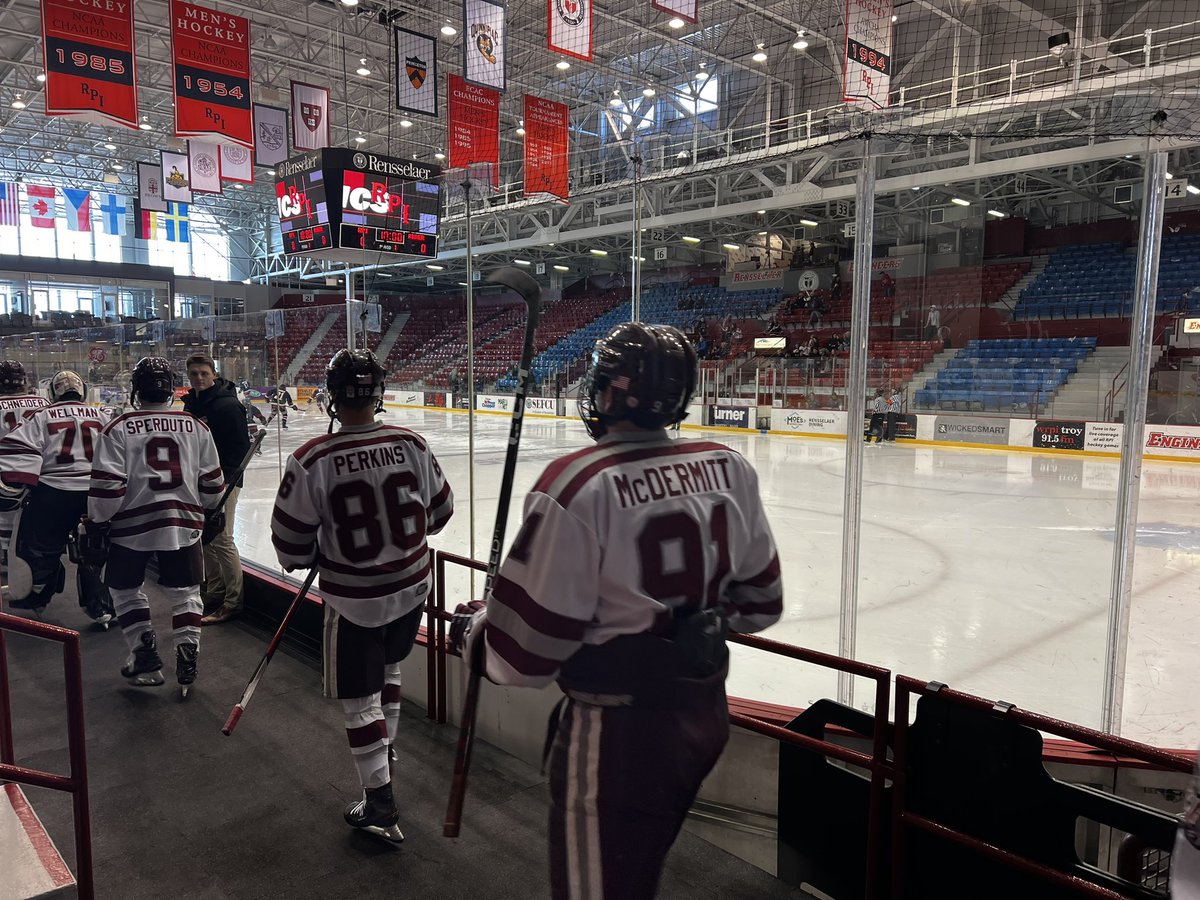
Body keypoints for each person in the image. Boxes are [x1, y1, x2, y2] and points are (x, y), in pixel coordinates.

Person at [452, 322, 783, 899]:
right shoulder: (730, 465)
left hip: (617, 739)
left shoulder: (579, 483)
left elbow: (523, 657)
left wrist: (477, 631)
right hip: (704, 716)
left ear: (610, 392)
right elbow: (762, 603)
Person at [270, 350, 453, 843]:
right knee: (389, 672)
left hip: (355, 601)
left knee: (358, 700)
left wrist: (312, 553)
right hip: (412, 588)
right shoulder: (411, 443)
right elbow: (440, 513)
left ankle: (380, 803)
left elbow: (289, 545)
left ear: (331, 396)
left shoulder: (312, 459)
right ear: (379, 393)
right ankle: (385, 752)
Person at [86, 357, 225, 692]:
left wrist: (97, 522)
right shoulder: (196, 426)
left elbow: (107, 490)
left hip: (131, 528)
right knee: (187, 593)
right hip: (183, 524)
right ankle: (188, 652)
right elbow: (212, 488)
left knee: (125, 589)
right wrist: (209, 510)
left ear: (137, 389)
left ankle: (144, 655)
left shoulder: (118, 427)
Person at [0, 371, 114, 623]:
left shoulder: (41, 415)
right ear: (82, 390)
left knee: (39, 549)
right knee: (97, 550)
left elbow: (17, 449)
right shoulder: (103, 415)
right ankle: (101, 605)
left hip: (53, 493)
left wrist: (23, 482)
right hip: (95, 493)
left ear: (53, 393)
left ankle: (38, 595)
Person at [182, 355, 252, 626]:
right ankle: (214, 594)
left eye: (203, 373)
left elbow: (239, 449)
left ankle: (233, 602)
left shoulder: (227, 405)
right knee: (205, 538)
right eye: (193, 374)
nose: (198, 378)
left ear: (213, 374)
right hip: (199, 482)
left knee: (222, 539)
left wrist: (226, 483)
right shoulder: (192, 404)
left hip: (224, 483)